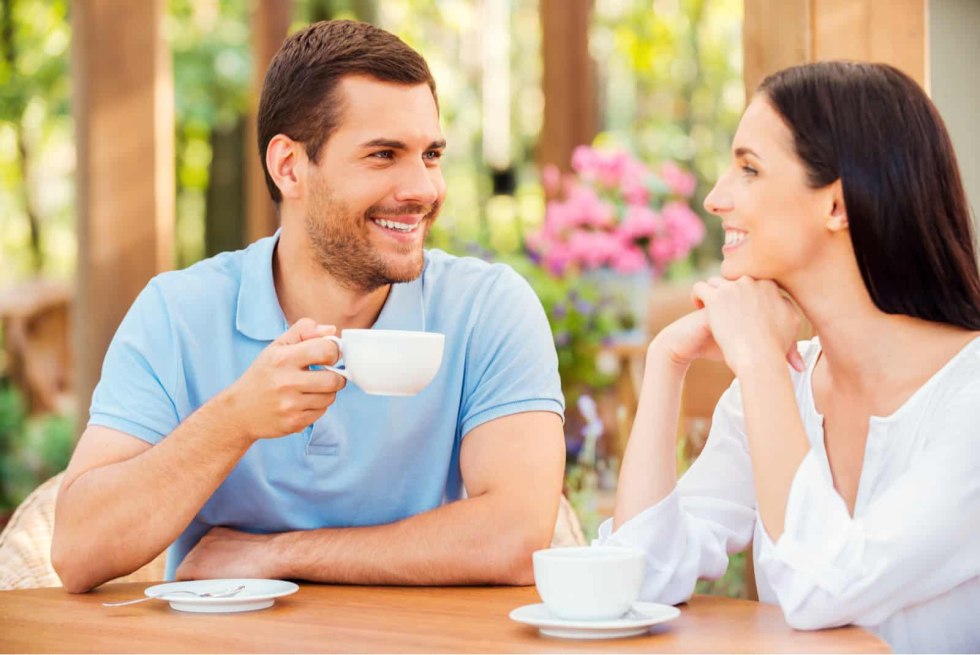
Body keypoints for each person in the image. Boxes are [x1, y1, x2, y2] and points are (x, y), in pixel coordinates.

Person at [52, 20, 565, 593]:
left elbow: (515, 539)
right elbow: (77, 551)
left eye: (430, 154)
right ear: (289, 167)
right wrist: (235, 419)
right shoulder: (178, 314)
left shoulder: (487, 308)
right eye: (383, 154)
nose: (422, 187)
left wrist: (278, 555)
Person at [601, 61, 980, 653]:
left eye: (749, 169)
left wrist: (754, 360)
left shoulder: (969, 397)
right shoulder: (784, 382)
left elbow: (824, 589)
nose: (715, 197)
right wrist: (665, 361)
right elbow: (639, 575)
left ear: (836, 205)